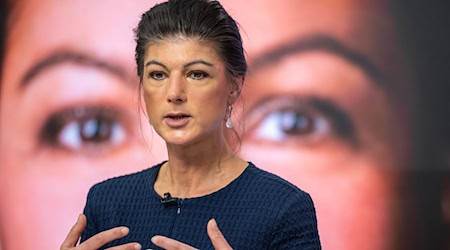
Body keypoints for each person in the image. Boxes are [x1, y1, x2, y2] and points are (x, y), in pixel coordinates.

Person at [61, 0, 321, 249]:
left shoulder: (283, 208)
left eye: (196, 74)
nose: (174, 93)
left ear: (234, 86)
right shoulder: (106, 202)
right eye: (158, 75)